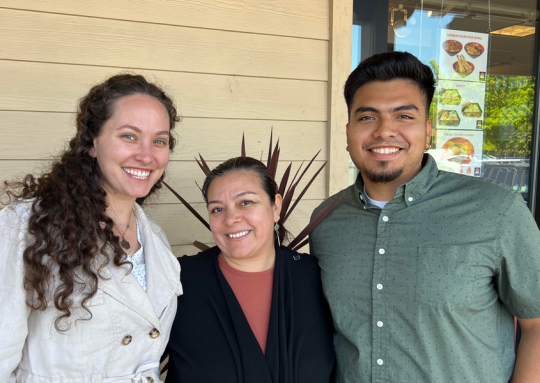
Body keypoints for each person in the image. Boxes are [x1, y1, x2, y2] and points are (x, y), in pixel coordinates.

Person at [309, 51, 540, 383]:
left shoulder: (495, 210)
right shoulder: (327, 220)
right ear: (348, 132)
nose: (385, 131)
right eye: (367, 117)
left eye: (404, 116)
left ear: (428, 130)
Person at [0, 74, 182, 382]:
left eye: (159, 141)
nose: (147, 155)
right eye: (129, 136)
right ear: (92, 143)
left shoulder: (156, 238)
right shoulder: (27, 226)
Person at [165, 156, 335, 383]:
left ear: (276, 207)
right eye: (217, 209)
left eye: (245, 202)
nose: (231, 219)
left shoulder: (316, 278)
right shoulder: (178, 281)